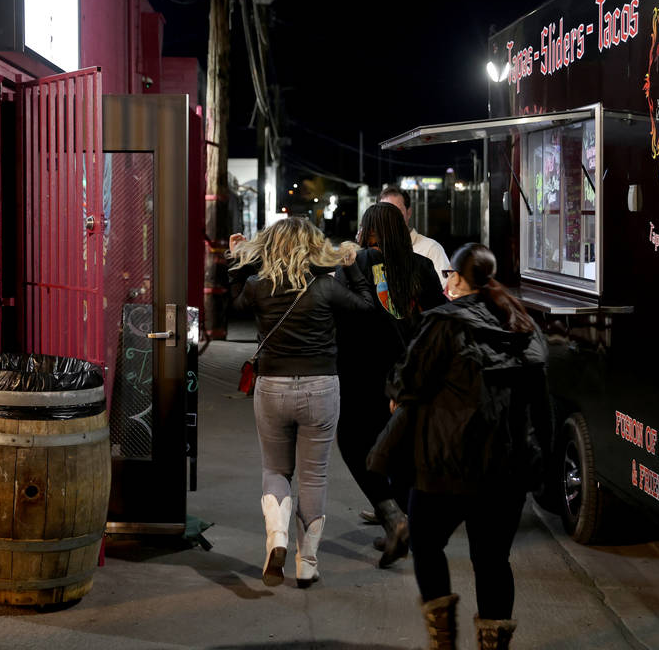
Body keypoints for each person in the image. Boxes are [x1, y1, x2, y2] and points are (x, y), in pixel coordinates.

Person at [368, 243, 550, 650]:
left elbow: (409, 380)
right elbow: (542, 405)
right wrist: (543, 462)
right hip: (506, 467)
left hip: (445, 464)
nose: (446, 279)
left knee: (427, 543)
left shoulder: (443, 325)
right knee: (492, 561)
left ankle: (443, 639)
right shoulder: (522, 325)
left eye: (450, 273)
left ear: (459, 278)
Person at [228, 218, 376, 588]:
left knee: (276, 470)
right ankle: (306, 562)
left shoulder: (259, 286)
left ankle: (276, 536)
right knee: (314, 475)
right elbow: (366, 307)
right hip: (321, 388)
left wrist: (239, 259)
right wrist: (353, 266)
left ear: (269, 246)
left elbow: (235, 300)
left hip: (272, 387)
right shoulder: (326, 287)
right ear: (313, 246)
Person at [336, 203, 445, 567]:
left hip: (362, 372)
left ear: (367, 228)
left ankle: (391, 516)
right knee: (400, 447)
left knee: (353, 441)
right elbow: (436, 319)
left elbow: (343, 313)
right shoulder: (422, 266)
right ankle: (402, 522)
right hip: (410, 373)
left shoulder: (358, 262)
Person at [377, 186, 452, 281]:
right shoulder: (374, 251)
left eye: (397, 211)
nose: (391, 217)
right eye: (385, 212)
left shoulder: (431, 249)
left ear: (409, 213)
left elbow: (445, 289)